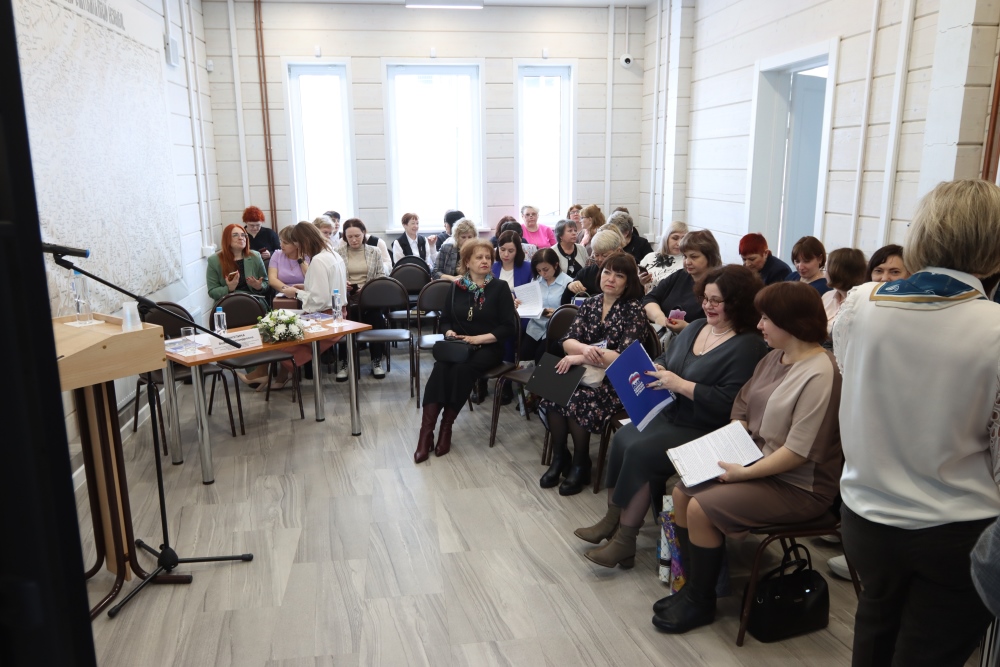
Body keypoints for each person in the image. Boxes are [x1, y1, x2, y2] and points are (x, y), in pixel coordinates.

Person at [832, 179, 1000, 666]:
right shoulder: (992, 327)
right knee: (928, 652)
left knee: (874, 630)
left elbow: (852, 377)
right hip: (955, 528)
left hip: (866, 516)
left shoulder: (861, 303)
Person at [653, 281, 842, 634]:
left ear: (793, 323)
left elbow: (797, 453)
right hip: (757, 464)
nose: (759, 325)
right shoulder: (774, 357)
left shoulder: (821, 372)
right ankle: (693, 588)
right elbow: (741, 404)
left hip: (798, 485)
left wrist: (742, 473)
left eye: (767, 318)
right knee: (681, 492)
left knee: (700, 507)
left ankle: (701, 601)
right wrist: (733, 441)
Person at [574, 265, 768, 567]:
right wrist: (661, 367)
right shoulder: (696, 326)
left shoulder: (748, 345)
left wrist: (680, 384)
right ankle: (612, 519)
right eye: (705, 298)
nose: (707, 305)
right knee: (623, 439)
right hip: (671, 412)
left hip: (706, 425)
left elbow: (730, 403)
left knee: (641, 451)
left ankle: (625, 539)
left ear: (737, 303)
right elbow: (667, 356)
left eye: (716, 301)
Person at [825, 242, 913, 581]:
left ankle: (868, 562)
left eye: (895, 271)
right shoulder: (861, 307)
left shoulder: (912, 315)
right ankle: (848, 537)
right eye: (878, 270)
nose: (884, 278)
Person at [540, 252, 647, 496]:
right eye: (607, 272)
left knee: (578, 400)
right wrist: (585, 350)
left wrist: (581, 356)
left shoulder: (634, 310)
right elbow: (567, 342)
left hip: (617, 380)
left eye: (619, 276)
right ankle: (560, 456)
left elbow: (623, 358)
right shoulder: (590, 303)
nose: (611, 279)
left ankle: (581, 463)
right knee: (553, 393)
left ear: (628, 282)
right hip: (586, 373)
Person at [415, 239, 517, 463]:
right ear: (467, 262)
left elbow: (508, 327)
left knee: (462, 370)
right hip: (459, 346)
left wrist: (479, 338)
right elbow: (445, 320)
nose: (485, 261)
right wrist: (449, 332)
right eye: (479, 257)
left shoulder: (499, 288)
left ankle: (446, 427)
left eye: (488, 257)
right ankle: (426, 433)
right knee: (441, 367)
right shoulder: (456, 287)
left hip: (489, 347)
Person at [268, 222, 347, 388]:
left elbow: (318, 299)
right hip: (337, 313)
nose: (300, 250)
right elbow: (328, 287)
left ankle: (278, 375)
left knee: (277, 332)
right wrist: (306, 286)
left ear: (304, 241)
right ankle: (279, 375)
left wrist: (296, 293)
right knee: (279, 324)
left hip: (324, 318)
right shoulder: (333, 254)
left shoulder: (318, 260)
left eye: (298, 244)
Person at [643, 230, 722, 335]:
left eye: (694, 257)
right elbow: (649, 298)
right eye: (684, 256)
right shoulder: (680, 275)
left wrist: (687, 328)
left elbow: (720, 328)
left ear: (710, 257)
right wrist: (659, 317)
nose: (687, 262)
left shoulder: (719, 286)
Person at [335, 219, 388, 379]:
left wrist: (367, 287)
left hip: (369, 297)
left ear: (364, 233)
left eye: (357, 236)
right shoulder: (338, 252)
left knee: (376, 318)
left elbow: (381, 275)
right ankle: (345, 361)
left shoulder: (374, 251)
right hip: (348, 298)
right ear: (345, 237)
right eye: (349, 237)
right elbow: (334, 277)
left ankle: (376, 360)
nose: (354, 240)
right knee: (345, 321)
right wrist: (344, 284)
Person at [520, 248, 572, 364]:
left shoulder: (568, 283)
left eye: (546, 269)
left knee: (541, 357)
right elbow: (531, 304)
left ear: (556, 265)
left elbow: (571, 314)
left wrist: (557, 313)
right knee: (524, 355)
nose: (543, 274)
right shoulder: (536, 280)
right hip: (535, 327)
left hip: (555, 330)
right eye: (538, 270)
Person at [206, 223, 269, 304]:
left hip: (253, 301)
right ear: (227, 239)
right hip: (228, 302)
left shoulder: (255, 256)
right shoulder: (214, 260)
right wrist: (229, 288)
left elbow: (265, 283)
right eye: (235, 235)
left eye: (243, 235)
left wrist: (259, 286)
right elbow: (212, 291)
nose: (241, 238)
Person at [561, 227, 625, 304]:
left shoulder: (627, 272)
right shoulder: (586, 273)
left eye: (605, 255)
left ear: (618, 251)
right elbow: (565, 304)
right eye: (596, 255)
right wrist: (570, 287)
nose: (600, 259)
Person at [821, 247, 867, 334]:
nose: (824, 274)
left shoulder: (862, 302)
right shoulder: (827, 296)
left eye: (826, 269)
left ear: (837, 272)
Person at [639, 221, 688, 290]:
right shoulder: (650, 257)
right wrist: (640, 282)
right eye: (675, 238)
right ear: (666, 238)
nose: (679, 243)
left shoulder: (687, 262)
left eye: (683, 239)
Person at [268, 226, 308, 303]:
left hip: (304, 294)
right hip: (283, 293)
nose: (281, 245)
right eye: (281, 241)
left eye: (285, 243)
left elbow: (310, 278)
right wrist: (290, 291)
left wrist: (301, 260)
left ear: (297, 244)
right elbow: (272, 280)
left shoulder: (307, 256)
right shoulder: (277, 254)